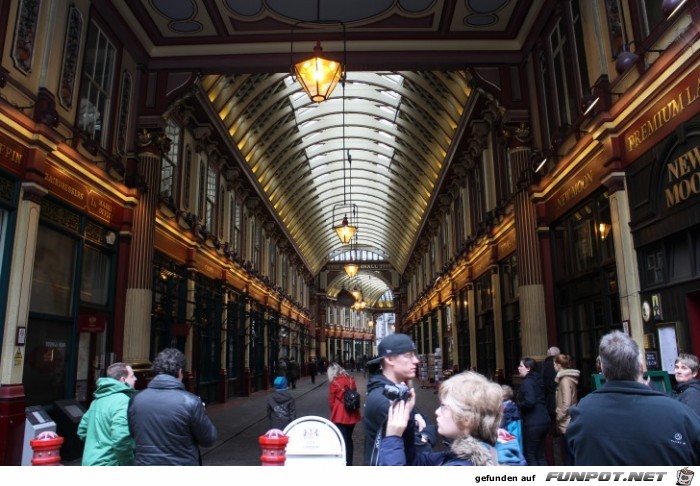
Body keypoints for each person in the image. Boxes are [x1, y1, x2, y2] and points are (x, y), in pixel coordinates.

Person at [567, 331, 700, 465]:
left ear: (603, 368)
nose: (678, 370)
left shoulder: (582, 413)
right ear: (641, 368)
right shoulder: (680, 414)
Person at [378, 371, 501, 466]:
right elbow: (413, 462)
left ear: (466, 419)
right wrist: (407, 415)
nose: (436, 412)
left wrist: (392, 439)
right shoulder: (462, 456)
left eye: (443, 407)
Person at [128, 348, 218, 465]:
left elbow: (133, 432)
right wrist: (201, 413)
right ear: (180, 372)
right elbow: (208, 439)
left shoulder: (136, 399)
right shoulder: (191, 402)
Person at [362, 333, 420, 465]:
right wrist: (420, 425)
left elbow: (426, 423)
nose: (416, 360)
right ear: (389, 359)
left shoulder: (398, 391)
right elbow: (419, 447)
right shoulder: (385, 401)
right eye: (408, 356)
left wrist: (418, 419)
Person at [77, 362, 137, 465]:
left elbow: (82, 430)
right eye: (132, 376)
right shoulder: (123, 401)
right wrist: (130, 464)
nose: (135, 379)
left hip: (89, 461)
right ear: (123, 380)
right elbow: (121, 438)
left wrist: (98, 445)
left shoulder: (96, 401)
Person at [517, 356, 550, 466]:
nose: (518, 368)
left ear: (528, 368)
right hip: (544, 419)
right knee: (540, 454)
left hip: (533, 422)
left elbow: (530, 402)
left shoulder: (527, 382)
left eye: (521, 366)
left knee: (531, 455)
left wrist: (518, 405)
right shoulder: (537, 380)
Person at [327, 362, 361, 465]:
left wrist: (334, 410)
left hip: (340, 414)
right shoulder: (351, 379)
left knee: (342, 439)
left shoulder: (334, 382)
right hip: (352, 413)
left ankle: (344, 462)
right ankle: (349, 462)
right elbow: (354, 393)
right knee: (349, 439)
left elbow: (331, 401)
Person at [553, 353, 579, 466]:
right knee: (570, 453)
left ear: (559, 365)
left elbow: (566, 403)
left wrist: (558, 416)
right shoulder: (568, 379)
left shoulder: (564, 380)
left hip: (566, 421)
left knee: (568, 454)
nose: (553, 366)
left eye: (554, 364)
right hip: (570, 418)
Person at [673, 353, 700, 418]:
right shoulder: (681, 389)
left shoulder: (692, 393)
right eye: (677, 367)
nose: (678, 371)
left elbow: (693, 422)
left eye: (684, 368)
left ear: (694, 373)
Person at [500, 384, 523, 452]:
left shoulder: (506, 409)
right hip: (515, 439)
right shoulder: (512, 406)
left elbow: (503, 427)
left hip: (509, 441)